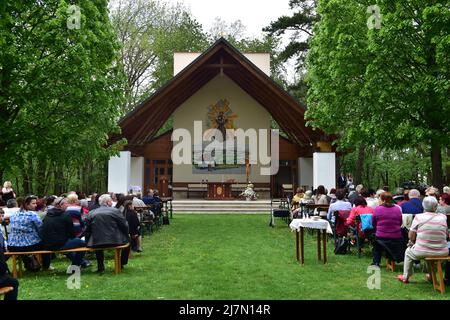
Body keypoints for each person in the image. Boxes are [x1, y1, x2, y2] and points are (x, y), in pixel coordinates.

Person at [397, 196, 448, 283]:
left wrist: (412, 242)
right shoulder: (443, 217)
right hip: (442, 251)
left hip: (422, 251)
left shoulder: (419, 217)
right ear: (436, 206)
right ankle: (431, 276)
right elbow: (446, 234)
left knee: (408, 252)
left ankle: (405, 277)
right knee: (431, 254)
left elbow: (411, 235)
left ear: (423, 206)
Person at [84, 194, 130, 274]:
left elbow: (87, 229)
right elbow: (125, 225)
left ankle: (100, 267)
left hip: (97, 242)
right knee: (128, 242)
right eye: (110, 201)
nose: (112, 202)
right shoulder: (115, 211)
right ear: (108, 202)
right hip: (115, 241)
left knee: (98, 240)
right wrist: (126, 235)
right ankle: (121, 264)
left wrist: (87, 241)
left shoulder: (91, 213)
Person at [40, 197, 90, 268]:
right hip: (59, 244)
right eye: (67, 203)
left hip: (46, 244)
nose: (68, 205)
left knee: (70, 244)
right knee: (82, 243)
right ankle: (76, 265)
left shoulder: (48, 215)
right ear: (61, 205)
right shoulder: (65, 215)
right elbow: (71, 232)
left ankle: (80, 263)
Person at [7, 195, 51, 270]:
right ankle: (46, 266)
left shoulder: (14, 215)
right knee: (46, 245)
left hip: (12, 246)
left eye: (36, 203)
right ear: (26, 204)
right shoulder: (32, 214)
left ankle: (29, 263)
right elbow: (40, 229)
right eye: (33, 203)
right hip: (29, 246)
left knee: (26, 247)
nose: (36, 205)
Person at [371, 192, 403, 267]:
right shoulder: (397, 209)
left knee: (376, 246)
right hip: (396, 236)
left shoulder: (378, 209)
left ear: (383, 200)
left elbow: (373, 223)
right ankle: (392, 258)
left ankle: (376, 262)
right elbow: (400, 222)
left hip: (381, 236)